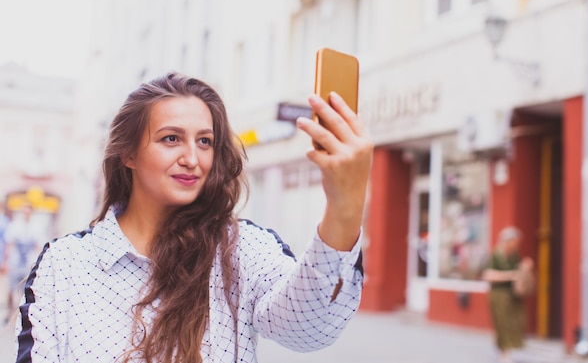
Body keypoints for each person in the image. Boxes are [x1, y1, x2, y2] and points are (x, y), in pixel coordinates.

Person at [14, 72, 373, 363]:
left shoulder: (243, 249)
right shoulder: (64, 265)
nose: (192, 158)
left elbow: (311, 328)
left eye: (205, 142)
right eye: (171, 139)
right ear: (128, 155)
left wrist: (345, 205)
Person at [482, 226, 534, 363]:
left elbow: (518, 271)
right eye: (514, 241)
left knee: (516, 322)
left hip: (513, 295)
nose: (516, 244)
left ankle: (505, 349)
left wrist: (524, 266)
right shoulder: (496, 255)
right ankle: (504, 352)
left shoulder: (514, 255)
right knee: (503, 324)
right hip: (499, 295)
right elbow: (488, 275)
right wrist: (511, 275)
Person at [5, 204, 40, 322]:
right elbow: (9, 244)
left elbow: (38, 246)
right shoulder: (15, 226)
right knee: (10, 288)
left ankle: (18, 315)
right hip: (15, 262)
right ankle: (9, 312)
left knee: (24, 290)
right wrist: (6, 260)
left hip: (28, 263)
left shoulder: (36, 227)